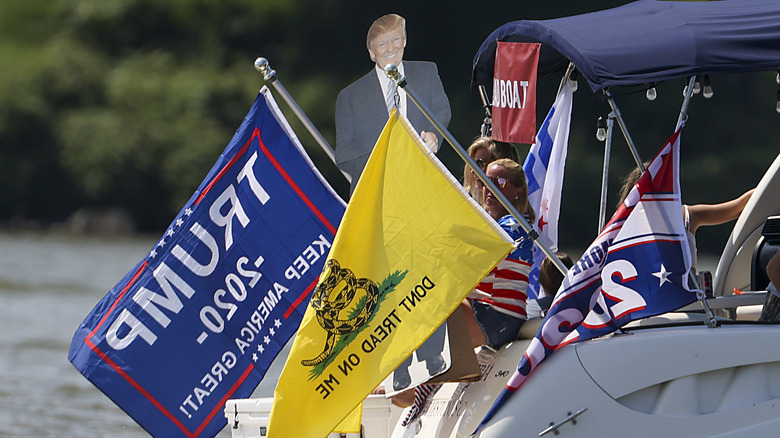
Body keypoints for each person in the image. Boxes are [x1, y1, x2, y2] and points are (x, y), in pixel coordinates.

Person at [335, 13, 451, 195]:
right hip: (375, 195)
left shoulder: (427, 72)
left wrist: (434, 135)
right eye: (382, 43)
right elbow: (344, 155)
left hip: (425, 188)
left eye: (395, 39)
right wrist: (386, 163)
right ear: (372, 53)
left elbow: (441, 111)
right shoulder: (350, 97)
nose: (390, 48)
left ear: (404, 41)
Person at [617, 163, 755, 272]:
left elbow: (738, 207)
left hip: (669, 304)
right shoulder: (624, 227)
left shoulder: (688, 214)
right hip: (685, 303)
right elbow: (739, 206)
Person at [461, 158, 535, 349]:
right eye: (486, 182)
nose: (490, 188)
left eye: (500, 183)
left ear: (518, 191)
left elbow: (475, 255)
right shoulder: (491, 226)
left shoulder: (514, 225)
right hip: (488, 312)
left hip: (499, 317)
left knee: (431, 300)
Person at [462, 137, 520, 203]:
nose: (473, 171)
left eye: (480, 163)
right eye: (473, 164)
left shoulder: (514, 212)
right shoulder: (480, 208)